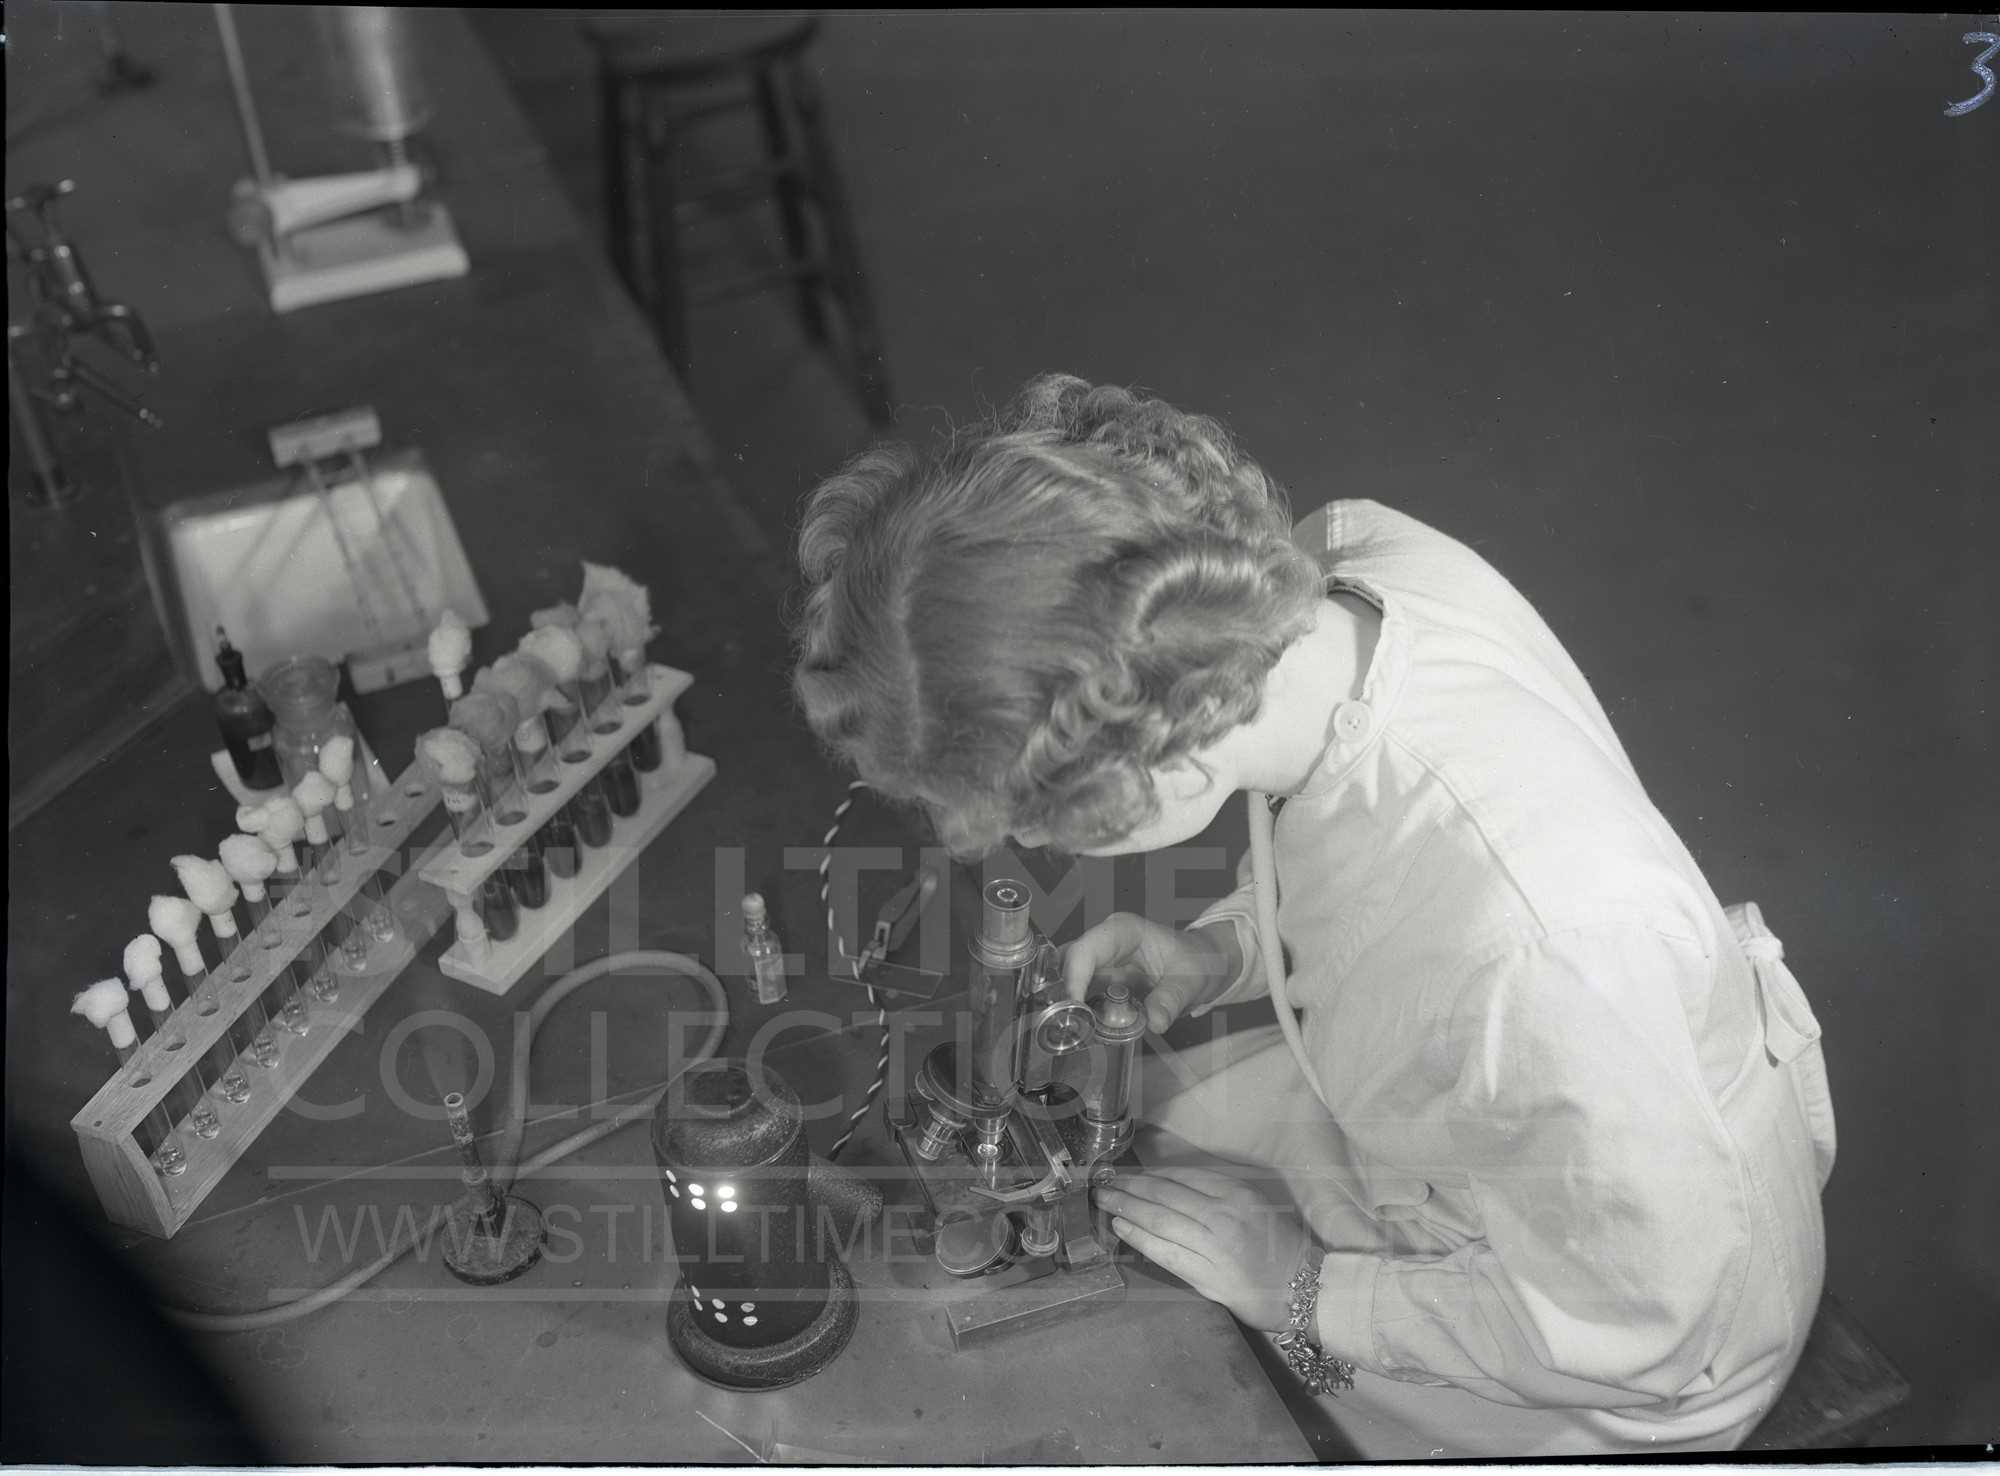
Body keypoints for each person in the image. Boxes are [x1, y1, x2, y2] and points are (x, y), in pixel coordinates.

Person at [790, 373, 1836, 1458]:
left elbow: (1645, 1329)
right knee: (1146, 1154)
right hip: (1488, 1127)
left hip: (1608, 1346)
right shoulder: (1337, 580)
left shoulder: (1548, 954)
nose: (1032, 845)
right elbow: (1369, 854)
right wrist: (1223, 949)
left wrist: (1298, 1284)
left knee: (1186, 1385)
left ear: (1156, 769)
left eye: (1035, 823)